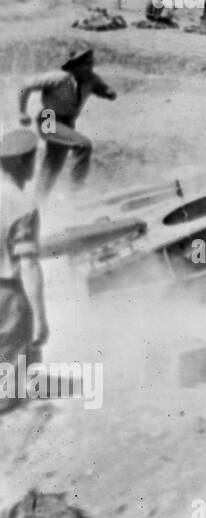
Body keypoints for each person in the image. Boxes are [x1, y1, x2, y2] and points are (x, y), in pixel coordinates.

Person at [16, 46, 117, 197]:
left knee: (53, 166)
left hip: (68, 123)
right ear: (75, 65)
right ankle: (76, 193)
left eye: (91, 62)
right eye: (86, 63)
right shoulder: (58, 78)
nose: (90, 66)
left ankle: (37, 202)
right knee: (83, 145)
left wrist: (108, 93)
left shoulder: (90, 79)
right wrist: (22, 112)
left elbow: (103, 88)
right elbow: (25, 86)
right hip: (49, 119)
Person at [0, 129, 47, 414]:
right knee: (10, 384)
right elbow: (28, 263)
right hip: (8, 298)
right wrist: (40, 317)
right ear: (22, 163)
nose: (35, 165)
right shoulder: (21, 204)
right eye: (32, 159)